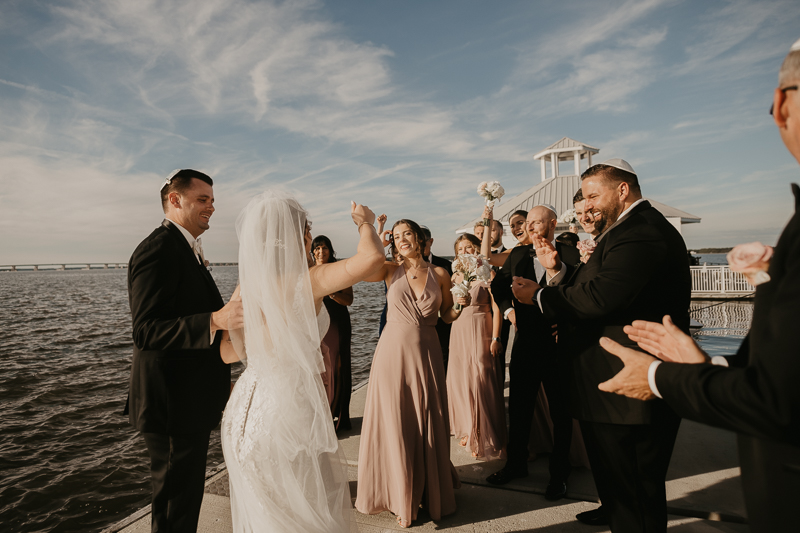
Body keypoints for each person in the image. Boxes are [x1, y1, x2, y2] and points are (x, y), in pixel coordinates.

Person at [596, 39, 800, 532]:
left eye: (589, 195)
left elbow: (776, 402)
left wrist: (657, 377)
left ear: (781, 106)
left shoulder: (643, 232)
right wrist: (709, 361)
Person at [513, 159, 691, 532]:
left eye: (594, 194)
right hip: (609, 388)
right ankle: (612, 510)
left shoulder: (641, 232)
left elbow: (600, 297)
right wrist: (559, 274)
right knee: (618, 483)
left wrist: (540, 296)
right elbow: (588, 285)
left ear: (622, 190)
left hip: (629, 388)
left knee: (636, 492)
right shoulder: (622, 231)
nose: (588, 204)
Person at [219, 193, 384, 532]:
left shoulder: (247, 288)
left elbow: (227, 353)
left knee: (268, 514)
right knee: (302, 513)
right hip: (287, 411)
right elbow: (371, 259)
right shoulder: (309, 280)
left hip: (243, 414)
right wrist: (365, 222)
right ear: (303, 236)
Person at [125, 169, 244, 533]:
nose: (212, 207)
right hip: (172, 408)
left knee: (185, 499)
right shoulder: (158, 249)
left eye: (212, 200)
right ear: (175, 200)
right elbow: (146, 331)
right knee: (176, 504)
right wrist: (215, 319)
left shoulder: (185, 248)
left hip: (188, 400)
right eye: (203, 199)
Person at [356, 219, 469, 529]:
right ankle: (399, 497)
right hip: (392, 355)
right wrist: (369, 232)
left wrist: (460, 306)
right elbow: (362, 269)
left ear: (420, 239)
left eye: (407, 233)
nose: (402, 239)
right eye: (396, 236)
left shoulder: (442, 274)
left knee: (427, 420)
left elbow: (447, 315)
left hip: (428, 353)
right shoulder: (389, 271)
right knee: (397, 422)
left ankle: (429, 490)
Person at [486, 205, 580, 503]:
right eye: (528, 223)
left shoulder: (570, 254)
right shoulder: (517, 255)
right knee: (520, 407)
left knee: (561, 412)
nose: (531, 226)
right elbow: (498, 287)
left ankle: (559, 473)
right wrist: (509, 310)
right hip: (525, 342)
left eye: (538, 222)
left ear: (552, 224)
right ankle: (515, 465)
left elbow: (582, 294)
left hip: (559, 345)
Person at [446, 231, 507, 460]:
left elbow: (497, 306)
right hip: (459, 329)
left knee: (480, 379)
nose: (465, 252)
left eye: (469, 248)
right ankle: (468, 427)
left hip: (482, 326)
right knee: (461, 380)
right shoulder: (455, 277)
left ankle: (484, 432)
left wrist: (496, 338)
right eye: (460, 249)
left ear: (477, 249)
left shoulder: (487, 273)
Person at [312, 235, 354, 431]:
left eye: (324, 248)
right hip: (316, 326)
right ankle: (323, 417)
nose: (321, 252)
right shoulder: (309, 271)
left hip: (337, 323)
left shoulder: (340, 270)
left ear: (331, 250)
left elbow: (349, 300)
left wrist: (331, 293)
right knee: (319, 371)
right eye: (317, 248)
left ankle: (339, 418)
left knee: (338, 368)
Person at [421, 225, 454, 371]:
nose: (420, 245)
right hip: (418, 325)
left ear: (431, 241)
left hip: (442, 323)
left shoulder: (446, 265)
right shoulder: (405, 267)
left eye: (424, 242)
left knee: (442, 360)